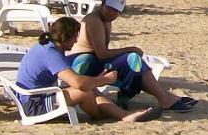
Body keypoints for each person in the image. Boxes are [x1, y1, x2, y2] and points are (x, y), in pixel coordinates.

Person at [69, 0, 197, 113]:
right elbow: (102, 54)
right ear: (103, 3)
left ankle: (164, 96)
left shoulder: (106, 20)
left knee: (134, 62)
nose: (111, 13)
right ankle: (162, 97)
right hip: (82, 63)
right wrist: (130, 49)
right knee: (132, 59)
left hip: (94, 60)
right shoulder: (94, 20)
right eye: (109, 8)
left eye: (115, 11)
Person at [14, 17, 159, 122]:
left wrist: (96, 81)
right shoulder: (51, 54)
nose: (77, 41)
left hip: (34, 96)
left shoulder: (46, 46)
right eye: (75, 37)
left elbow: (76, 79)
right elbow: (79, 84)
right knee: (86, 92)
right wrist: (103, 80)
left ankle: (124, 116)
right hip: (34, 105)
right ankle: (101, 115)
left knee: (92, 88)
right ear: (65, 37)